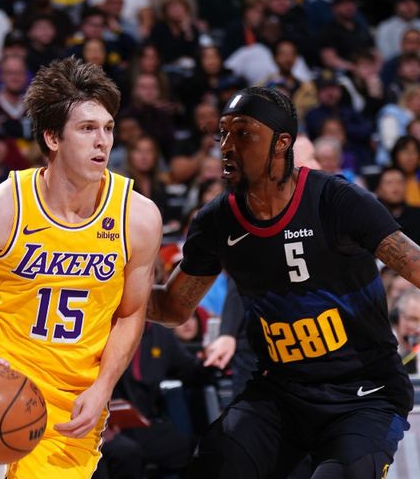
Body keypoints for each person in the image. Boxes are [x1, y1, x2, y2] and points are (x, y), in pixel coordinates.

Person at [148, 86, 417, 478]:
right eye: (222, 133)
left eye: (243, 133)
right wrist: (102, 289)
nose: (227, 145)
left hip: (364, 395)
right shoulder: (216, 222)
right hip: (280, 393)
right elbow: (173, 307)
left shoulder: (336, 201)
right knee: (213, 465)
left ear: (281, 143)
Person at [0, 57, 163, 478]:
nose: (102, 141)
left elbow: (130, 314)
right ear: (52, 137)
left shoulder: (137, 217)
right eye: (87, 129)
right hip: (1, 388)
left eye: (107, 128)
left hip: (75, 408)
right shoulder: (2, 208)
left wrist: (104, 387)